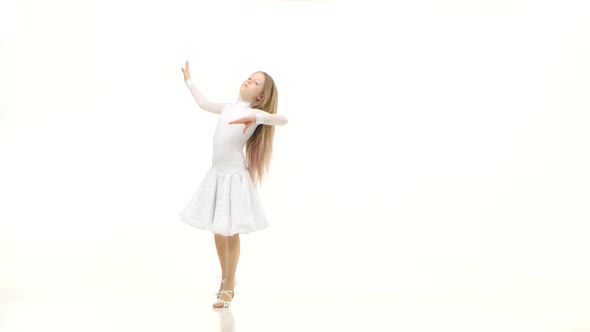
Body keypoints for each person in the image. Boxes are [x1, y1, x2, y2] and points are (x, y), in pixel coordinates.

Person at [179, 61, 288, 308]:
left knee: (231, 231)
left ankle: (229, 286)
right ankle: (227, 277)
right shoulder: (229, 107)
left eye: (256, 82)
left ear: (261, 96)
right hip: (216, 175)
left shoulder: (253, 113)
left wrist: (257, 116)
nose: (249, 80)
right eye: (250, 77)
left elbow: (283, 119)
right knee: (218, 229)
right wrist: (189, 81)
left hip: (234, 178)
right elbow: (204, 104)